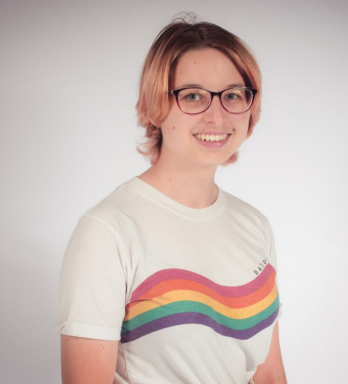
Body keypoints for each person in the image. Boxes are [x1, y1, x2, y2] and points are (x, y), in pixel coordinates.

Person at [57, 14, 287, 384]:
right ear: (154, 106)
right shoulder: (108, 231)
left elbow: (270, 374)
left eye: (232, 95)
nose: (217, 114)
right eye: (193, 95)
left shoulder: (255, 224)